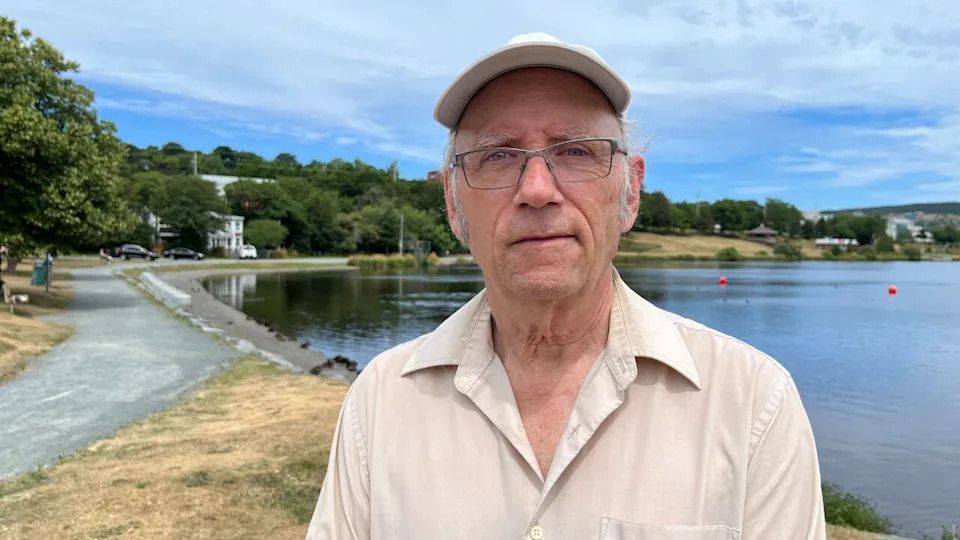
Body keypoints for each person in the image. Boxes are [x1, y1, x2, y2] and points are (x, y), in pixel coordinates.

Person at [307, 33, 825, 539]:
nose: (536, 190)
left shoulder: (753, 402)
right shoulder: (381, 402)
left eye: (577, 152)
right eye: (497, 155)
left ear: (631, 190)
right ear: (452, 203)